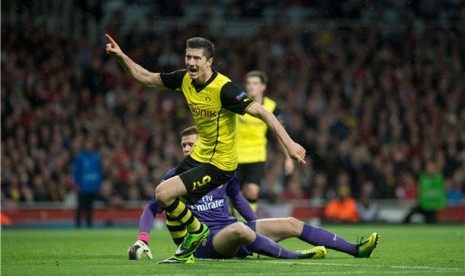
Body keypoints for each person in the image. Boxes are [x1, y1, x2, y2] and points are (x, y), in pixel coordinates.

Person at [105, 34, 306, 264]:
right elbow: (147, 78)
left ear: (209, 62)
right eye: (188, 56)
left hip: (218, 163)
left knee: (172, 194)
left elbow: (263, 112)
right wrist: (121, 57)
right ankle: (198, 230)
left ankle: (209, 232)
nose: (190, 62)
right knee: (162, 193)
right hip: (201, 156)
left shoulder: (225, 89)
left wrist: (289, 144)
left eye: (197, 58)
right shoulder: (184, 79)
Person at [128, 127, 379, 262]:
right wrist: (143, 238)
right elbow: (152, 207)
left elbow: (237, 199)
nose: (187, 149)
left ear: (204, 144)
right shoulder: (175, 176)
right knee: (240, 230)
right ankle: (297, 256)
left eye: (192, 144)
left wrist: (254, 224)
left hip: (233, 229)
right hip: (205, 244)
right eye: (184, 145)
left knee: (290, 223)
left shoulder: (222, 169)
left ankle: (356, 250)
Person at [236, 71, 295, 213]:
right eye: (248, 83)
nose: (251, 87)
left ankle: (249, 225)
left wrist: (288, 158)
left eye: (255, 83)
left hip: (257, 156)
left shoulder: (272, 107)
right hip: (234, 155)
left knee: (252, 191)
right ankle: (233, 220)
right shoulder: (237, 101)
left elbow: (278, 132)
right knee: (234, 195)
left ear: (263, 87)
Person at [72, 136, 103, 228]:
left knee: (90, 207)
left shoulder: (96, 157)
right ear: (85, 145)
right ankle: (78, 224)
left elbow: (99, 172)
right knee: (81, 206)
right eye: (88, 144)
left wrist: (98, 184)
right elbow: (76, 172)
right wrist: (77, 184)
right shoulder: (80, 157)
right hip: (82, 187)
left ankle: (89, 224)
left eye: (91, 144)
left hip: (92, 187)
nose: (89, 146)